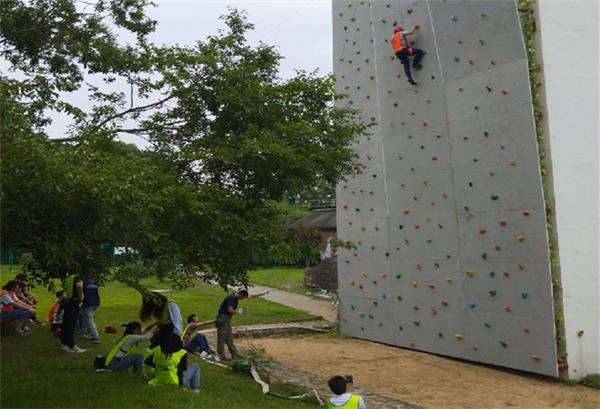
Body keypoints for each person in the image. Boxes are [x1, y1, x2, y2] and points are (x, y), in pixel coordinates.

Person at [215, 289, 268, 361]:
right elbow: (230, 310)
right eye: (242, 298)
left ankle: (235, 354)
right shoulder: (231, 298)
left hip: (227, 319)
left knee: (229, 338)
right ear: (240, 294)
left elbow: (251, 296)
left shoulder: (236, 296)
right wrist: (238, 312)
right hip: (222, 319)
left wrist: (263, 293)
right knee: (221, 338)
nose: (242, 299)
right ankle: (222, 356)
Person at [60, 275, 86, 353]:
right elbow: (79, 285)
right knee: (71, 325)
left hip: (67, 302)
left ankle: (64, 344)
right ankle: (71, 345)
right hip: (73, 302)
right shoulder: (77, 277)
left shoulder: (68, 278)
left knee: (66, 323)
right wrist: (80, 297)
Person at [79, 277, 100, 343]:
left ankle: (96, 337)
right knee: (85, 318)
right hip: (96, 303)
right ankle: (83, 333)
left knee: (90, 320)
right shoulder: (94, 284)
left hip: (88, 304)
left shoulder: (84, 284)